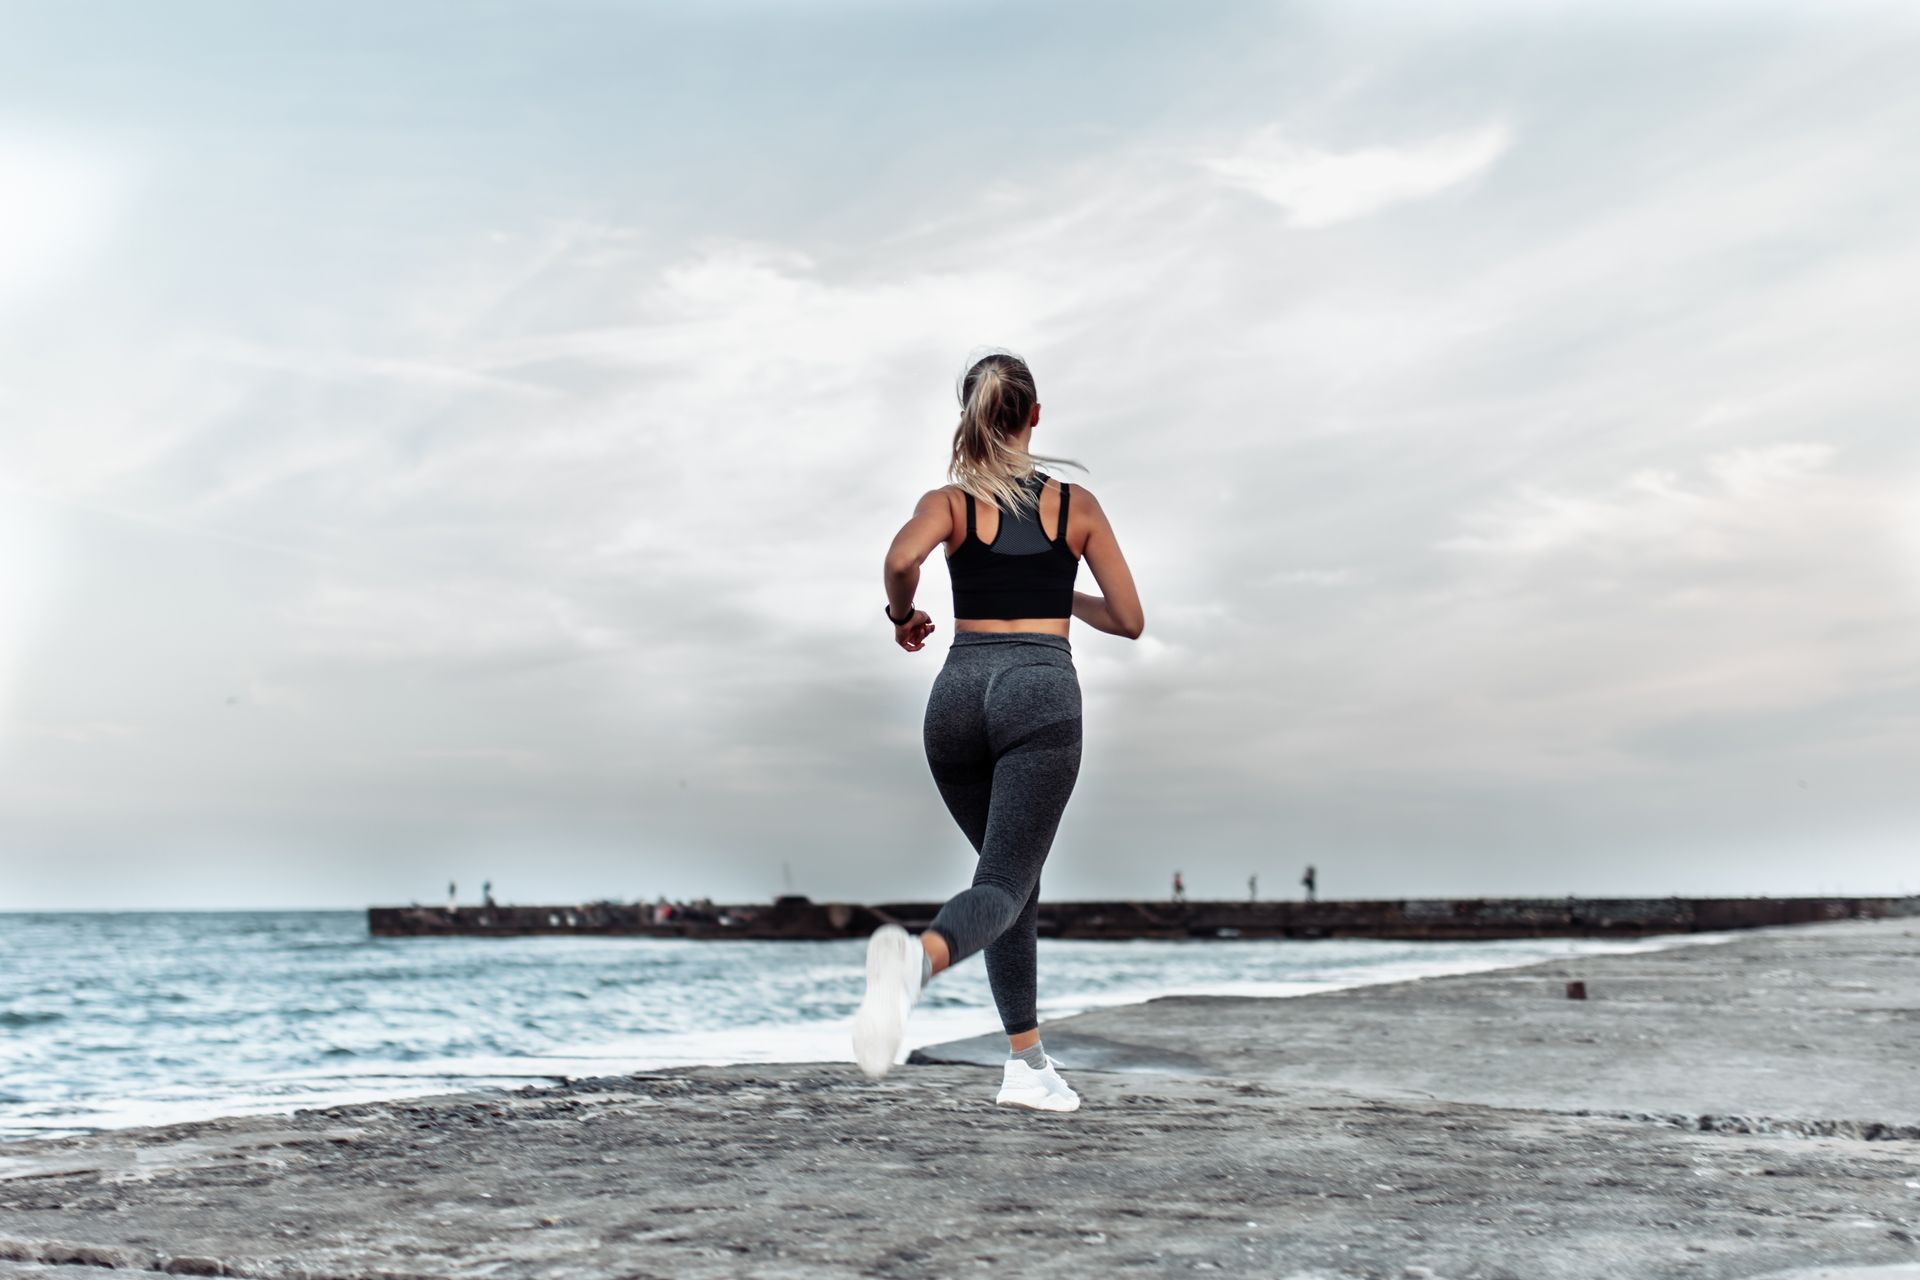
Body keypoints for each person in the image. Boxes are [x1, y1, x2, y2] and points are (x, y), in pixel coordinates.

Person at [854, 348, 1144, 1113]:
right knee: (1007, 883)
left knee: (1010, 880)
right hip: (1039, 693)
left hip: (955, 697)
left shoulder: (949, 503)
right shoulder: (1073, 506)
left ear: (969, 418)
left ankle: (1026, 1065)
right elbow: (1130, 619)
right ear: (1035, 416)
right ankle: (916, 962)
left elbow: (898, 559)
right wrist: (1060, 594)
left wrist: (902, 615)